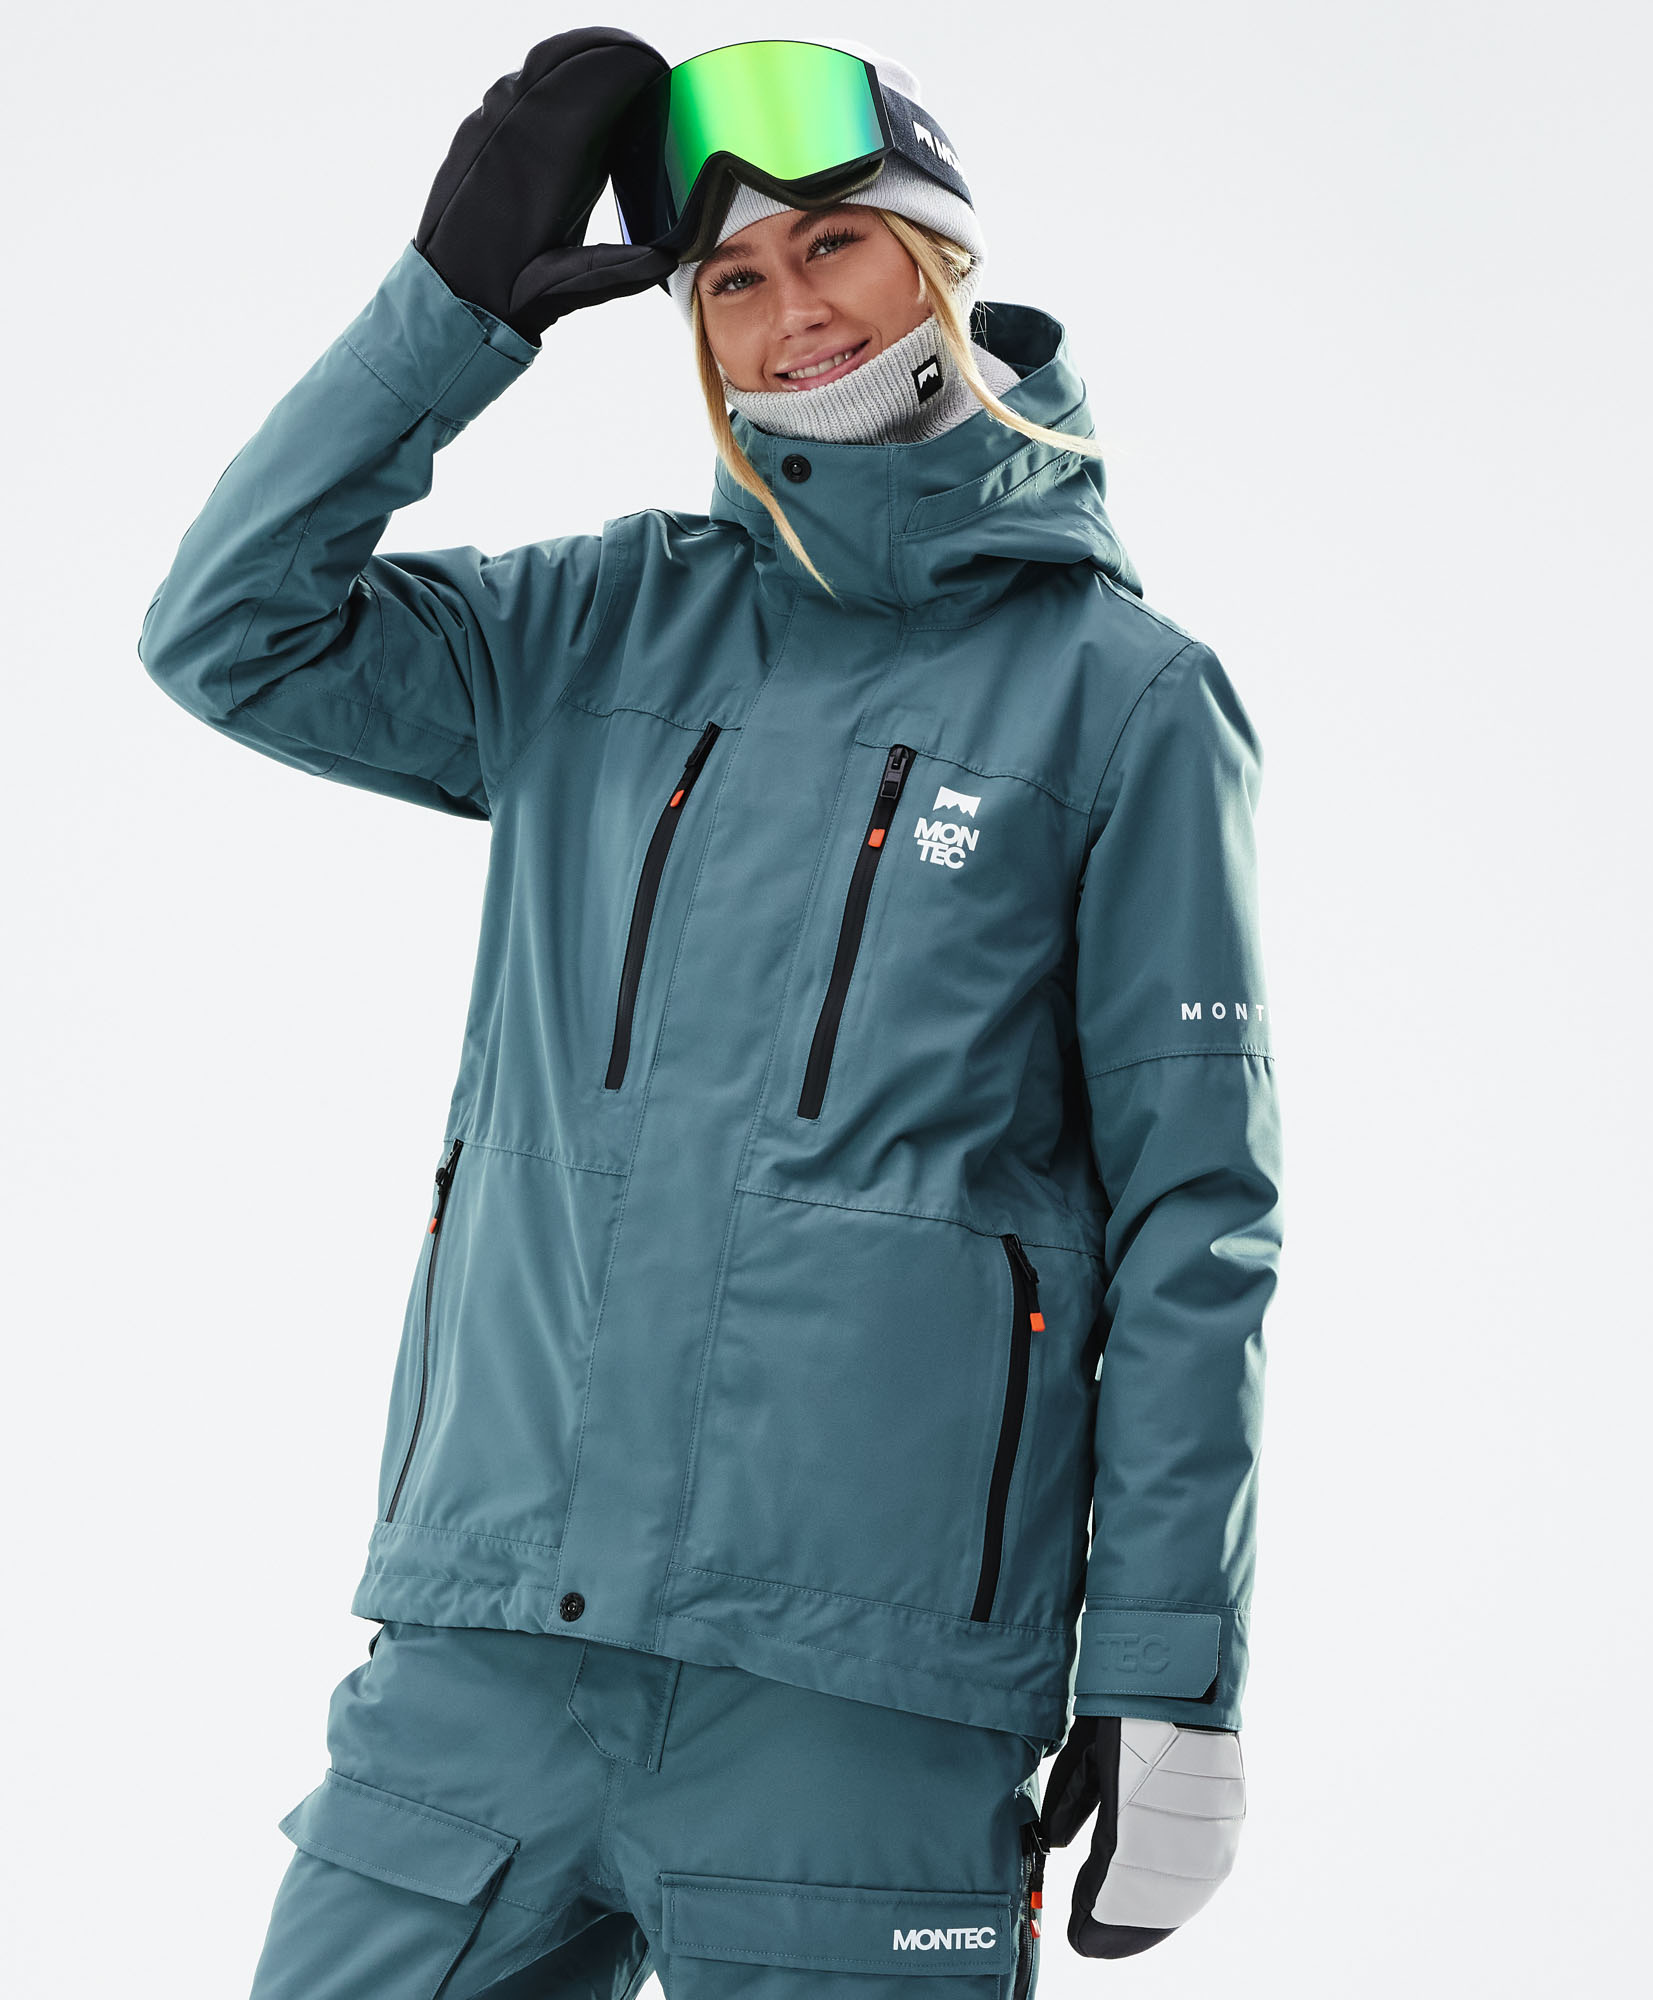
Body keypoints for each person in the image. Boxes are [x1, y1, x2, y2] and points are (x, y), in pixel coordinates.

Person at [137, 29, 1282, 1999]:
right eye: (731, 280)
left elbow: (1197, 1212)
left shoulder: (1124, 701)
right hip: (488, 1652)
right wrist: (450, 316)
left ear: (937, 261)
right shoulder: (587, 629)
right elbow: (232, 633)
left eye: (833, 245)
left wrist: (1172, 1670)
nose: (790, 312)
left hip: (862, 1699)